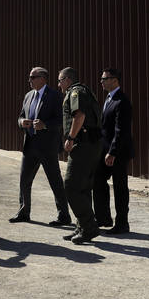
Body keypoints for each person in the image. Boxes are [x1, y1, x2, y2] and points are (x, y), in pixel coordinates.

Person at [9, 67, 71, 226]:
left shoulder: (56, 96)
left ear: (43, 78)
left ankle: (64, 216)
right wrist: (22, 122)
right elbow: (20, 116)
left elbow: (60, 121)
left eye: (33, 77)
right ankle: (24, 212)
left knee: (55, 182)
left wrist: (44, 125)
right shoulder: (28, 95)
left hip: (48, 147)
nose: (29, 80)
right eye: (29, 77)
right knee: (24, 181)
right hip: (30, 145)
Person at [57, 67, 103, 244]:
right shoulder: (82, 91)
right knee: (83, 187)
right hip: (89, 145)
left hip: (83, 145)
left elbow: (79, 115)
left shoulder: (75, 92)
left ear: (68, 79)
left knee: (71, 186)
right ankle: (82, 226)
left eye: (60, 80)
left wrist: (70, 137)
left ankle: (89, 227)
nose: (59, 84)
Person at [93, 68, 133, 233]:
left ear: (115, 80)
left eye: (105, 78)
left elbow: (121, 130)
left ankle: (122, 223)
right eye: (101, 78)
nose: (101, 81)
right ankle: (103, 218)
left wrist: (113, 152)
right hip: (104, 151)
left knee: (120, 187)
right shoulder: (109, 99)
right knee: (98, 181)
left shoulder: (121, 100)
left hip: (118, 152)